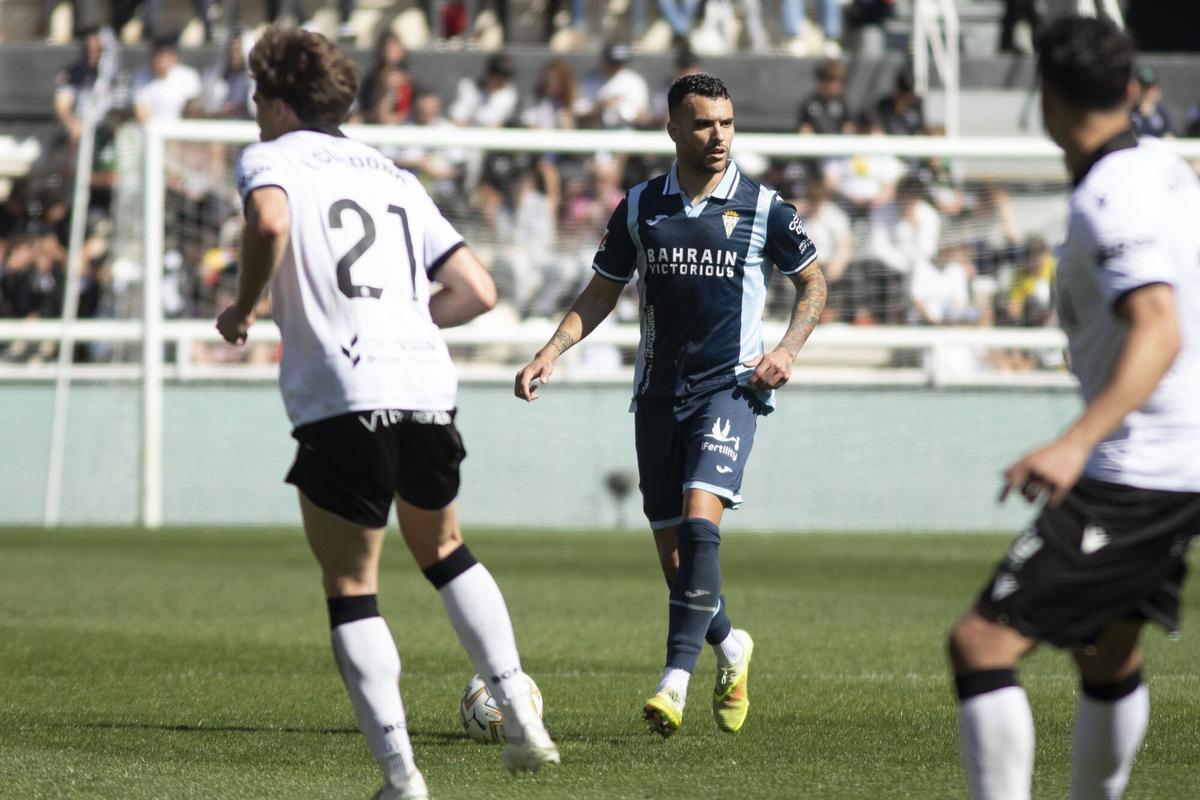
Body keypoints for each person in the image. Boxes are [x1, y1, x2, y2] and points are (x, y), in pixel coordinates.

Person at [214, 26, 559, 799]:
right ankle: (524, 718)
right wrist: (405, 324)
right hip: (426, 388)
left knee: (352, 585)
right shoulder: (392, 174)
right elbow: (477, 289)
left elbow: (269, 223)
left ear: (274, 99)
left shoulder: (270, 160)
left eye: (257, 97)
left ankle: (402, 777)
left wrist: (243, 308)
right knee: (444, 550)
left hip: (345, 393)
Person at [514, 73, 826, 738]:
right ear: (674, 130)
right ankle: (731, 646)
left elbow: (813, 283)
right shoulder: (640, 207)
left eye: (727, 123)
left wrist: (789, 350)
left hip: (732, 387)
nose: (719, 136)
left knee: (698, 520)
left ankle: (674, 681)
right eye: (705, 124)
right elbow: (601, 291)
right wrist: (551, 351)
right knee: (676, 562)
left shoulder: (763, 205)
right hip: (658, 394)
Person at [946, 16, 1200, 800]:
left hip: (1139, 465)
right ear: (1129, 91)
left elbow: (1158, 329)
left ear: (1047, 103)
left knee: (982, 644)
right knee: (1107, 652)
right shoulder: (1167, 170)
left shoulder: (1108, 196)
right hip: (1178, 456)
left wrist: (1074, 444)